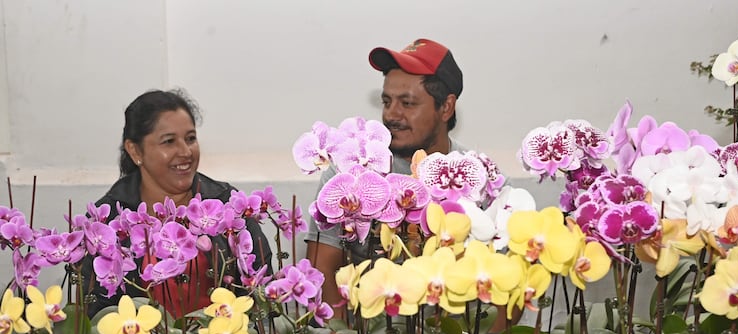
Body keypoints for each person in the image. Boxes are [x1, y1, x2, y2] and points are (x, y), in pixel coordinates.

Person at [305, 38, 467, 317]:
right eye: (386, 101)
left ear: (446, 107)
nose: (391, 114)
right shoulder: (349, 174)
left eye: (407, 102)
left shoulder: (474, 176)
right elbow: (322, 272)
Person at [81, 89, 272, 318]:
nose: (185, 152)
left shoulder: (225, 204)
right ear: (135, 150)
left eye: (190, 139)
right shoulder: (110, 220)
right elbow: (96, 312)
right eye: (169, 141)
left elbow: (261, 289)